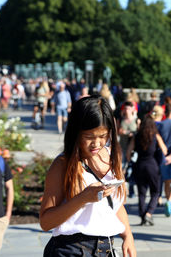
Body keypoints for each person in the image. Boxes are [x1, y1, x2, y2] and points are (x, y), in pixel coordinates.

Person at [40, 95, 136, 257]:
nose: (97, 143)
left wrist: (128, 236)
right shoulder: (63, 165)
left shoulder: (111, 156)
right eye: (89, 137)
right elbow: (46, 221)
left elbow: (114, 204)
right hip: (70, 249)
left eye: (103, 136)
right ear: (76, 132)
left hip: (106, 248)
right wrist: (83, 198)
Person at [126, 115, 167, 226]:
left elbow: (128, 153)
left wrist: (132, 161)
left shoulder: (137, 136)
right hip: (152, 165)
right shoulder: (155, 136)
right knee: (155, 191)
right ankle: (149, 213)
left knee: (142, 193)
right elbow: (165, 150)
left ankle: (143, 215)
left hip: (140, 165)